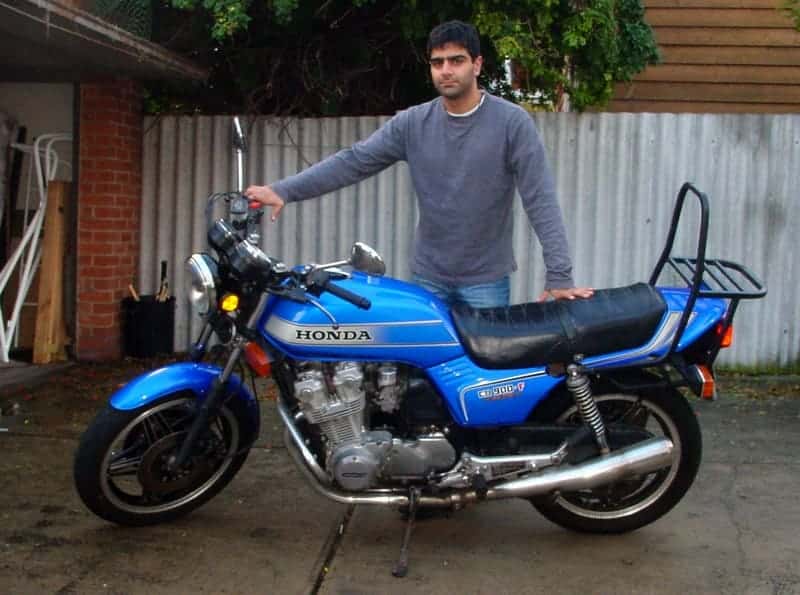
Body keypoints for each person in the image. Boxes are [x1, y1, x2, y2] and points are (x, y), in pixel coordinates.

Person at [246, 20, 593, 308]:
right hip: (428, 280)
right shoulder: (413, 123)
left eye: (456, 60)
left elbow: (540, 199)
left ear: (477, 64)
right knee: (421, 384)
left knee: (483, 385)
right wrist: (283, 191)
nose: (446, 71)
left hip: (486, 283)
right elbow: (354, 161)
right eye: (437, 62)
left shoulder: (511, 123)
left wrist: (560, 276)